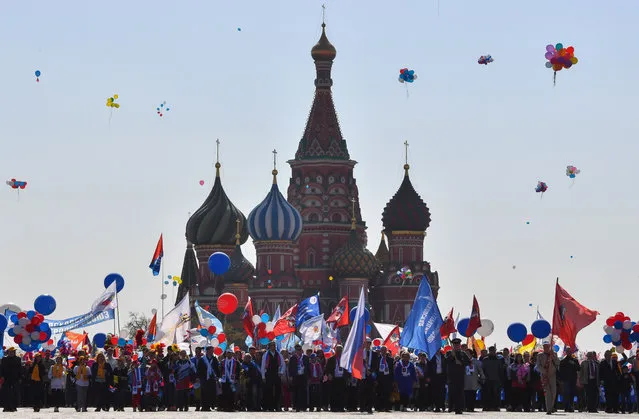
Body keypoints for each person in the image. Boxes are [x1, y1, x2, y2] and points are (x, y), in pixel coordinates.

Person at [446, 338, 471, 414]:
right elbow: (445, 361)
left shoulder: (463, 353)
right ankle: (451, 407)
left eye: (457, 344)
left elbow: (468, 362)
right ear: (453, 345)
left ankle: (458, 408)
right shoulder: (449, 353)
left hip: (460, 376)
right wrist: (452, 356)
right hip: (451, 376)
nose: (456, 346)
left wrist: (461, 362)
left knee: (459, 392)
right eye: (455, 344)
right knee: (452, 392)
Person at [261, 341, 285, 411]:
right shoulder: (265, 355)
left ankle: (276, 406)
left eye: (274, 345)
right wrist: (263, 376)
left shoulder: (279, 354)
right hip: (268, 374)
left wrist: (281, 372)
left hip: (276, 374)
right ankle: (270, 406)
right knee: (269, 390)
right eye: (271, 345)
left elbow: (283, 364)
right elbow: (263, 366)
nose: (273, 347)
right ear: (269, 346)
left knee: (278, 390)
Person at [537, 343, 559, 415]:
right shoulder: (540, 355)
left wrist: (553, 357)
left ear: (549, 347)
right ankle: (548, 409)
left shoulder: (554, 354)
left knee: (554, 392)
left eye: (547, 347)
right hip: (544, 376)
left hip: (553, 375)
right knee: (548, 393)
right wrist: (544, 371)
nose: (546, 348)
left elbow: (558, 363)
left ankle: (551, 406)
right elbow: (538, 366)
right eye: (544, 347)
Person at [479, 345, 502, 412]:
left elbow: (500, 370)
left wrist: (501, 380)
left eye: (493, 351)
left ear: (495, 351)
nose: (492, 352)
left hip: (496, 379)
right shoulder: (485, 360)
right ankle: (487, 406)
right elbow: (482, 369)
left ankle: (496, 406)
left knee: (496, 394)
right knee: (487, 393)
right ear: (489, 351)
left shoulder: (498, 360)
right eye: (491, 351)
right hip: (487, 379)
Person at [288, 344, 309, 412]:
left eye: (300, 349)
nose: (299, 351)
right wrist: (290, 376)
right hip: (296, 376)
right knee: (296, 391)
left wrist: (308, 377)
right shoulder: (292, 358)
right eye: (297, 350)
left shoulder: (305, 357)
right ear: (295, 350)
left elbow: (308, 368)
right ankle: (296, 406)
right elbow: (290, 368)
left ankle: (303, 406)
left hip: (303, 376)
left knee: (303, 391)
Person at [558, 346, 580, 412]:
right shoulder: (562, 361)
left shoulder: (575, 360)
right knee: (566, 393)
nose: (569, 352)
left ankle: (571, 406)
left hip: (573, 380)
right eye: (567, 351)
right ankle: (566, 407)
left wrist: (574, 364)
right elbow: (560, 371)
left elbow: (579, 368)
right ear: (565, 352)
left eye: (570, 351)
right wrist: (561, 380)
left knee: (572, 393)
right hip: (565, 380)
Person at [428, 345, 448, 412]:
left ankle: (442, 405)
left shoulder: (443, 357)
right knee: (435, 392)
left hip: (442, 377)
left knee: (442, 392)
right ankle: (437, 407)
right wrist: (428, 377)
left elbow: (446, 367)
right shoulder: (431, 357)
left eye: (438, 349)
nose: (437, 350)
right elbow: (429, 368)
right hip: (434, 377)